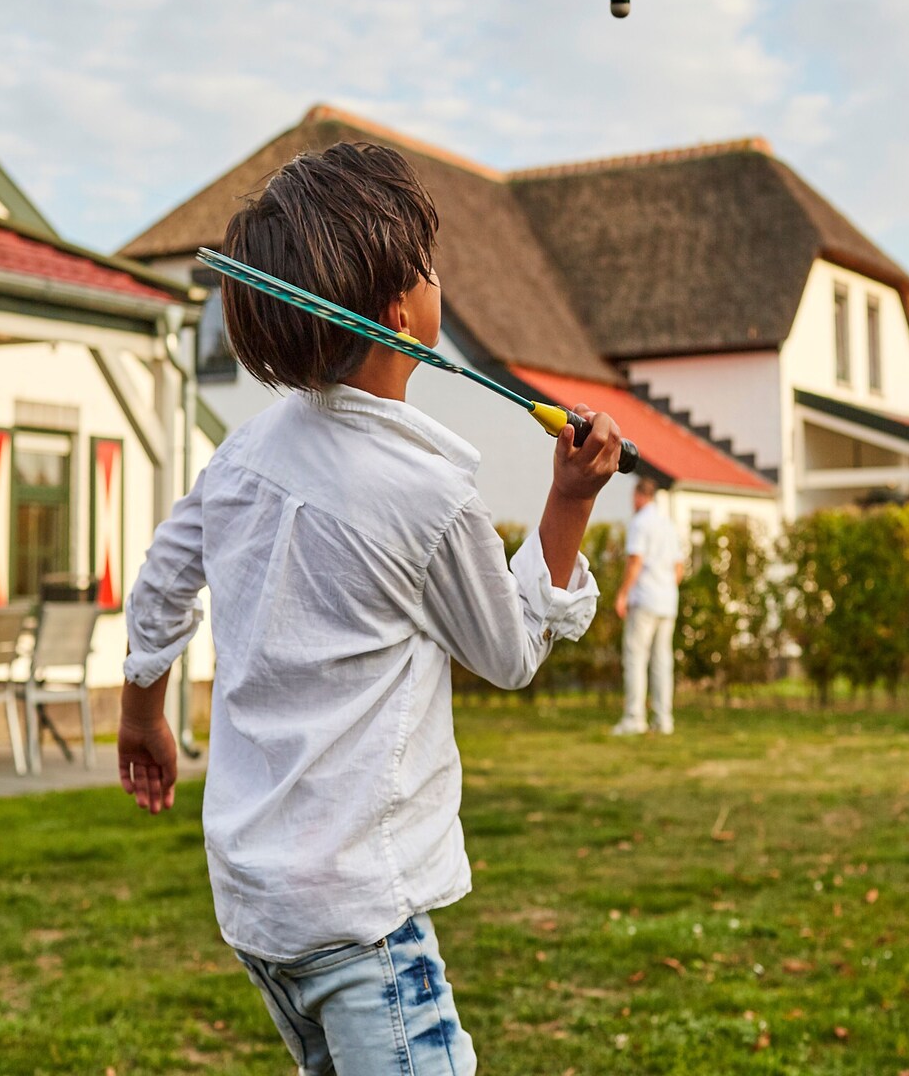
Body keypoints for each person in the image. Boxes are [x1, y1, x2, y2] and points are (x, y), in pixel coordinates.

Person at [116, 141, 625, 1076]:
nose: (440, 280)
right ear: (402, 311)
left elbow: (160, 587)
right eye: (429, 267)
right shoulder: (428, 497)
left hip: (261, 905)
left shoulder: (241, 455)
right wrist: (568, 506)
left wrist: (143, 716)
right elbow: (511, 653)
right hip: (360, 917)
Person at [611, 475, 684, 736]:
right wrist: (666, 588)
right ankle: (664, 720)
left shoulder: (640, 523)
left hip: (645, 600)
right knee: (662, 660)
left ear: (640, 496)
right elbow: (679, 568)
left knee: (636, 657)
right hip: (667, 601)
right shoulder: (668, 524)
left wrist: (622, 594)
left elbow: (635, 562)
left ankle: (634, 718)